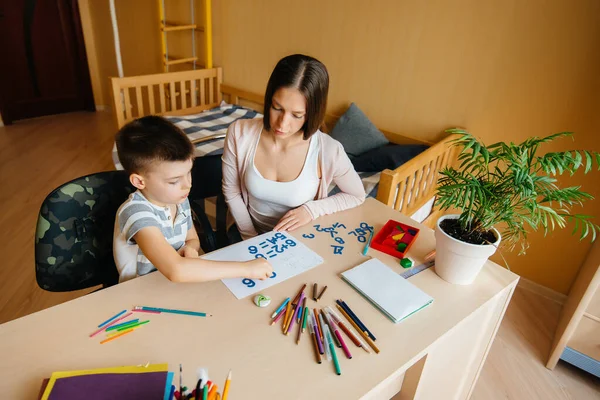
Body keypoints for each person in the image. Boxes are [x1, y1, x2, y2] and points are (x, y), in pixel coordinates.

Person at [113, 116, 273, 283]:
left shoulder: (178, 199)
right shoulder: (136, 212)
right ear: (139, 181)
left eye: (188, 172)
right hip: (140, 293)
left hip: (175, 287)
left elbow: (192, 239)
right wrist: (246, 268)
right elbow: (176, 270)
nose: (187, 185)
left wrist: (190, 248)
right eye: (174, 181)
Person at [222, 54, 366, 239]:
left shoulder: (328, 150)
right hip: (248, 235)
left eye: (297, 115)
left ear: (312, 114)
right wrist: (251, 239)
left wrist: (312, 210)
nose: (282, 124)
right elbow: (231, 191)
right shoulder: (239, 133)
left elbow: (357, 195)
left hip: (298, 243)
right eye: (277, 108)